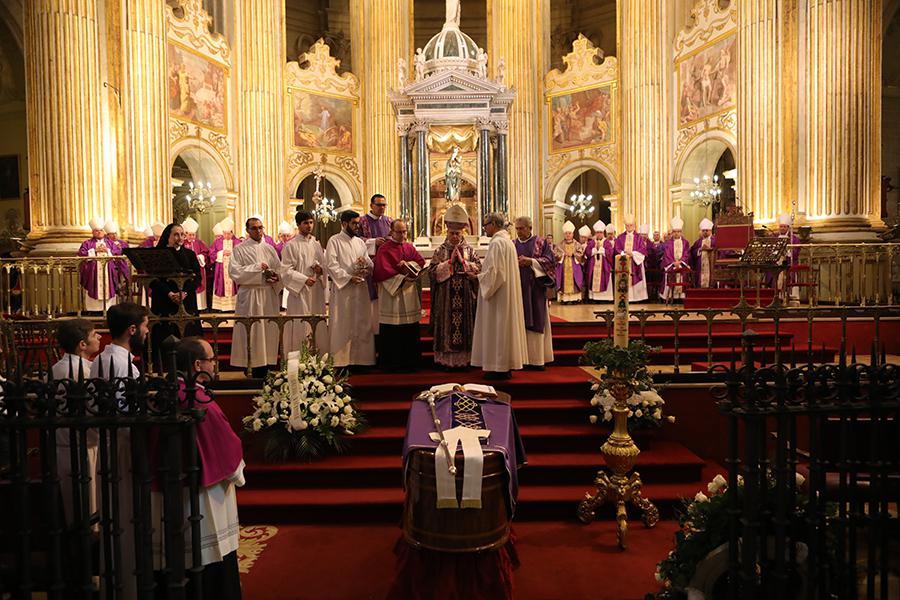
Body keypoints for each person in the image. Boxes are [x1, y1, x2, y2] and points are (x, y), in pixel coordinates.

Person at [151, 337, 244, 599]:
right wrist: (236, 472)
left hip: (168, 489)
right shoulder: (195, 398)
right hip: (201, 496)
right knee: (205, 553)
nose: (214, 365)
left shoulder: (167, 391)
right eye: (212, 359)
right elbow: (226, 445)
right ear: (196, 364)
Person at [90, 302, 150, 600]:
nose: (147, 331)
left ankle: (114, 581)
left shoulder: (98, 360)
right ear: (132, 329)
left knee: (112, 514)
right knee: (127, 515)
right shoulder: (127, 366)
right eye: (145, 326)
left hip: (106, 442)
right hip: (125, 444)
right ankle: (130, 585)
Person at [51, 319, 102, 526]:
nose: (99, 337)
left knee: (77, 507)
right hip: (84, 443)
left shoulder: (56, 368)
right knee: (87, 511)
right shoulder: (84, 371)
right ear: (82, 344)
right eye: (94, 334)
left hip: (64, 443)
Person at [470, 212, 527, 380]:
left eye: (486, 224)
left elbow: (496, 273)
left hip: (498, 296)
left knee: (498, 327)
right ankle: (505, 365)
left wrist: (478, 277)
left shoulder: (497, 243)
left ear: (494, 224)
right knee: (504, 328)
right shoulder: (508, 242)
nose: (484, 228)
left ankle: (498, 367)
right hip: (504, 293)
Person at [228, 217, 283, 378]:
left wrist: (275, 277)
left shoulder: (270, 249)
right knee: (252, 331)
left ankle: (267, 364)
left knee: (268, 330)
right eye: (254, 228)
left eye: (260, 228)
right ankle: (250, 365)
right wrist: (258, 269)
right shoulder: (239, 249)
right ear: (247, 230)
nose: (258, 231)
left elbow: (279, 269)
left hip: (267, 295)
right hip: (250, 296)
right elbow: (235, 272)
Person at [428, 204, 481, 369]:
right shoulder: (440, 251)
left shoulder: (470, 251)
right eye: (452, 233)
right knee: (447, 326)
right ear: (447, 232)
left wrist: (464, 263)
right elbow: (432, 273)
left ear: (462, 233)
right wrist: (449, 263)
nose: (454, 236)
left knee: (464, 326)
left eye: (457, 233)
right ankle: (446, 361)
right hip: (445, 297)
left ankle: (465, 359)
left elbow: (479, 269)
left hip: (465, 295)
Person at [326, 210, 376, 370]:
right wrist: (348, 277)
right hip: (343, 291)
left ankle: (362, 360)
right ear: (344, 223)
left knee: (362, 323)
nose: (357, 226)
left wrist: (365, 265)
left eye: (358, 223)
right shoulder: (334, 241)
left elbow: (369, 262)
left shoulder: (360, 242)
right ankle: (342, 361)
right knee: (343, 324)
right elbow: (331, 265)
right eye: (354, 223)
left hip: (360, 289)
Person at [373, 219, 425, 371]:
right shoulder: (384, 249)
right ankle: (392, 364)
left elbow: (420, 262)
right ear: (391, 232)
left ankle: (411, 363)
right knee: (392, 330)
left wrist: (410, 267)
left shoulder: (409, 247)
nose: (402, 235)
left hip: (408, 293)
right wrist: (402, 277)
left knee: (410, 328)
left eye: (404, 232)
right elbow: (382, 271)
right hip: (392, 295)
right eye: (399, 232)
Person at [149, 222, 203, 371]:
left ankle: (189, 365)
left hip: (186, 301)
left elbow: (197, 277)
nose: (180, 238)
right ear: (168, 236)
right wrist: (169, 293)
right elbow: (153, 279)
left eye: (182, 234)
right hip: (164, 301)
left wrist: (184, 292)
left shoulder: (189, 254)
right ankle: (164, 366)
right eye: (176, 234)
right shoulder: (157, 254)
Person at [281, 210, 328, 354]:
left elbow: (324, 266)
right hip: (300, 292)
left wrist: (321, 270)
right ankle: (299, 358)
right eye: (305, 223)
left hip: (316, 291)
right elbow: (285, 271)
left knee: (317, 321)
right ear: (298, 224)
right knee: (300, 323)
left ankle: (319, 359)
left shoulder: (316, 244)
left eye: (311, 222)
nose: (309, 226)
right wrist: (303, 279)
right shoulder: (291, 245)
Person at [513, 216, 556, 370]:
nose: (519, 232)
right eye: (517, 229)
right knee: (520, 322)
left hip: (536, 289)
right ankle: (522, 359)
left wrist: (531, 262)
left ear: (530, 228)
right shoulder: (513, 244)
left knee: (537, 320)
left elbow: (550, 262)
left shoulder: (540, 242)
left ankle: (537, 360)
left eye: (522, 228)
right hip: (518, 289)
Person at [78, 217, 118, 312]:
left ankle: (109, 310)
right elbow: (81, 254)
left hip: (108, 272)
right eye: (96, 231)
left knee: (109, 289)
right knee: (94, 288)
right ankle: (93, 311)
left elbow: (117, 252)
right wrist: (94, 251)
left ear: (104, 232)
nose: (99, 232)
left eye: (101, 230)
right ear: (92, 232)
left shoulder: (110, 243)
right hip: (93, 273)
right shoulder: (87, 243)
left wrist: (107, 250)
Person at [358, 194, 393, 301]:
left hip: (386, 261)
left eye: (384, 205)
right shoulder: (362, 221)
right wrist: (373, 242)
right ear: (371, 205)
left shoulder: (389, 221)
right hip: (370, 261)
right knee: (371, 295)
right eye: (379, 205)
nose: (382, 207)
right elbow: (356, 239)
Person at [614, 215, 649, 302]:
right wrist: (623, 254)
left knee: (635, 278)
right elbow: (616, 249)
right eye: (627, 225)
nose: (629, 227)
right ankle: (625, 297)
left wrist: (633, 253)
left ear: (634, 225)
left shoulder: (639, 237)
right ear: (625, 226)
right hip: (623, 263)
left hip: (635, 262)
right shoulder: (620, 237)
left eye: (631, 225)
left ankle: (637, 298)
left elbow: (642, 250)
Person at [210, 218, 240, 311]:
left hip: (233, 268)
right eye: (225, 233)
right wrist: (221, 253)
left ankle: (234, 306)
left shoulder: (237, 242)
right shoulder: (217, 242)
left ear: (232, 232)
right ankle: (221, 307)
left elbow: (241, 254)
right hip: (221, 269)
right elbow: (211, 254)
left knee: (234, 286)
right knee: (221, 285)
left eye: (229, 233)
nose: (226, 235)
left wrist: (232, 252)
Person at [659, 217, 692, 301]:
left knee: (683, 274)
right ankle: (671, 296)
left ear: (681, 232)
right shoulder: (668, 243)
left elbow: (687, 253)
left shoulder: (686, 242)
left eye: (678, 232)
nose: (676, 234)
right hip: (672, 265)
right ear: (672, 232)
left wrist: (681, 262)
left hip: (682, 265)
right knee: (671, 274)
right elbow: (667, 255)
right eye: (675, 232)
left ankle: (681, 297)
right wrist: (673, 263)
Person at [181, 217, 209, 312]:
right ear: (186, 234)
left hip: (198, 269)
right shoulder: (182, 243)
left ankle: (201, 307)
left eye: (193, 235)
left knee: (198, 284)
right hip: (187, 270)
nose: (192, 237)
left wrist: (201, 257)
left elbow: (206, 253)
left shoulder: (199, 242)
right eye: (190, 235)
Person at [585, 220, 615, 302]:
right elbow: (587, 252)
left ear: (603, 233)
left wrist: (601, 249)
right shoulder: (591, 242)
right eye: (597, 232)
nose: (599, 234)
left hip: (604, 266)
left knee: (605, 278)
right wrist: (595, 249)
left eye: (601, 232)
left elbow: (610, 253)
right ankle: (594, 298)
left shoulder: (607, 242)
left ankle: (605, 298)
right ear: (595, 233)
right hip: (593, 266)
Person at [555, 220, 584, 303]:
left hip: (574, 265)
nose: (568, 235)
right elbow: (556, 253)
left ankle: (575, 298)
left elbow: (580, 253)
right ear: (564, 234)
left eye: (569, 233)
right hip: (564, 266)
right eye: (566, 233)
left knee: (575, 280)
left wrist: (574, 254)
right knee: (563, 281)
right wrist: (563, 254)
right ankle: (565, 299)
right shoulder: (560, 244)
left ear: (573, 234)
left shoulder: (577, 244)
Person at [690, 218, 717, 288]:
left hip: (711, 264)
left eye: (707, 230)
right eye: (703, 230)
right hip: (700, 265)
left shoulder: (715, 240)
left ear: (710, 231)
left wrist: (711, 250)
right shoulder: (698, 242)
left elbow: (719, 251)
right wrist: (699, 250)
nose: (705, 232)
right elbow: (692, 251)